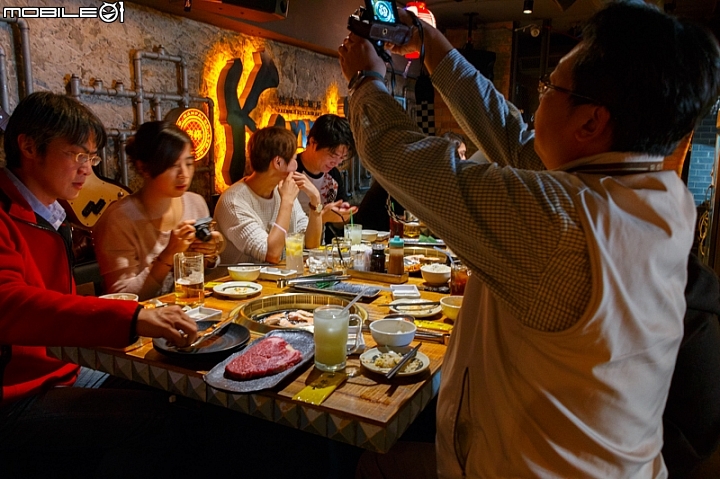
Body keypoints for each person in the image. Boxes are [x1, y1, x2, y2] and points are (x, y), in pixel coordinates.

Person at [339, 1, 720, 477]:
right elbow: (515, 141)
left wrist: (364, 81)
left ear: (591, 123)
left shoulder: (565, 224)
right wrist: (431, 45)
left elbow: (402, 158)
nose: (538, 101)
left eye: (549, 88)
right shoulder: (656, 199)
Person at [0, 92, 204, 474]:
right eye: (77, 155)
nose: (86, 170)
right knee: (159, 418)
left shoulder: (51, 214)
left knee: (183, 389)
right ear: (28, 146)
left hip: (65, 367)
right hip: (18, 394)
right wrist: (130, 316)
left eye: (91, 159)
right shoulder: (9, 215)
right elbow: (9, 303)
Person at [93, 121, 223, 301]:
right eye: (172, 165)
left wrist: (209, 253)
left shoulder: (195, 202)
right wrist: (169, 254)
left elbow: (202, 275)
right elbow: (124, 297)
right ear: (143, 168)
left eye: (189, 163)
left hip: (192, 311)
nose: (183, 174)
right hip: (142, 324)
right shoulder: (118, 219)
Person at [214, 126, 325, 264]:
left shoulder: (281, 190)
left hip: (277, 280)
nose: (296, 166)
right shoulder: (234, 202)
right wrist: (287, 202)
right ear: (278, 162)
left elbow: (311, 244)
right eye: (293, 159)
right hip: (239, 284)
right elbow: (271, 254)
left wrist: (315, 199)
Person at [295, 114, 358, 242]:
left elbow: (340, 224)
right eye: (332, 155)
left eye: (342, 158)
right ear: (312, 143)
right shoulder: (292, 170)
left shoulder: (333, 175)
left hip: (318, 248)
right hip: (292, 248)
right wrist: (322, 216)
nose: (336, 162)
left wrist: (342, 215)